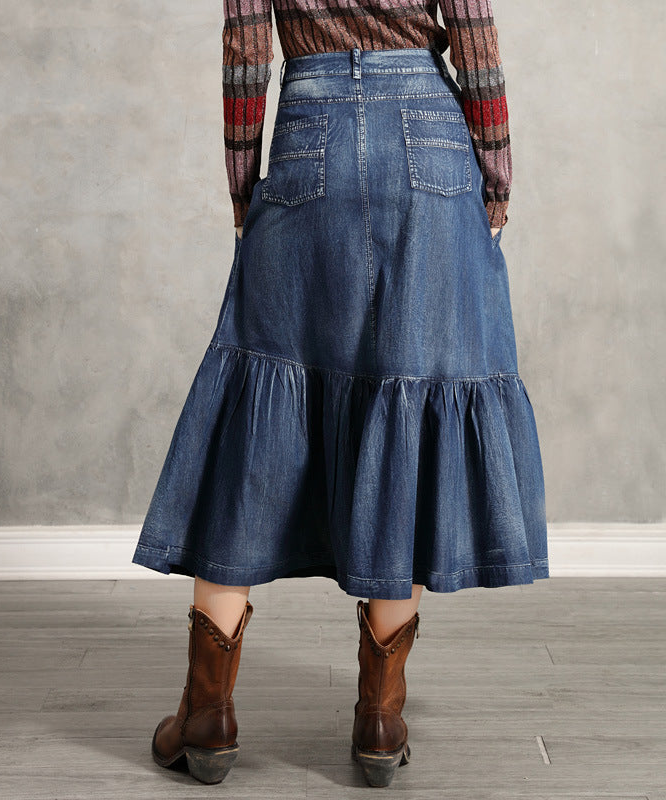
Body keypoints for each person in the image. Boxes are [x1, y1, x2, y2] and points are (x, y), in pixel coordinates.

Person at [132, 0, 548, 788]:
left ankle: (207, 714)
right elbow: (474, 33)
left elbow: (246, 50)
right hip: (428, 138)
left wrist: (243, 190)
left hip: (308, 130)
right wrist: (496, 178)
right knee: (406, 406)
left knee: (256, 410)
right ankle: (379, 721)